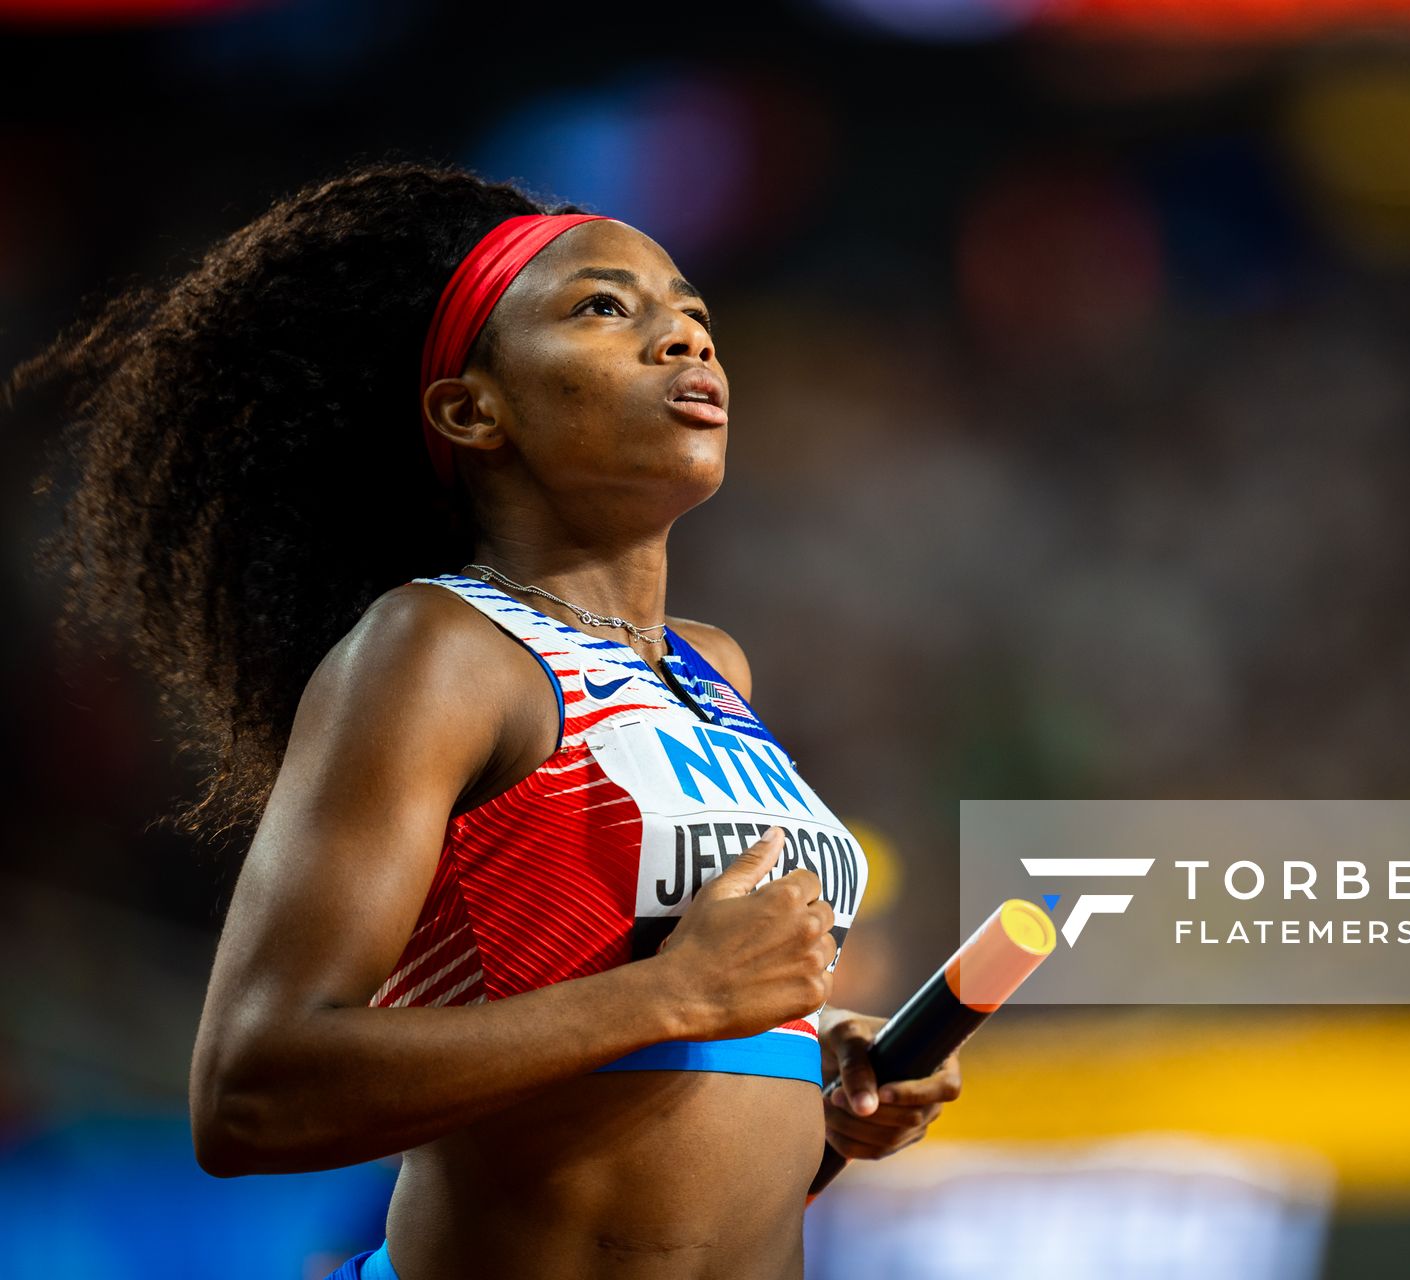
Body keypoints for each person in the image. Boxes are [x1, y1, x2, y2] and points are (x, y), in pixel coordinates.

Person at [11, 161, 962, 1279]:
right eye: (606, 306)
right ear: (473, 409)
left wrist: (820, 1071)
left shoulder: (714, 670)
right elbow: (250, 1089)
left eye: (694, 315)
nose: (687, 340)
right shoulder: (437, 649)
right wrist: (676, 991)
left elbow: (640, 1082)